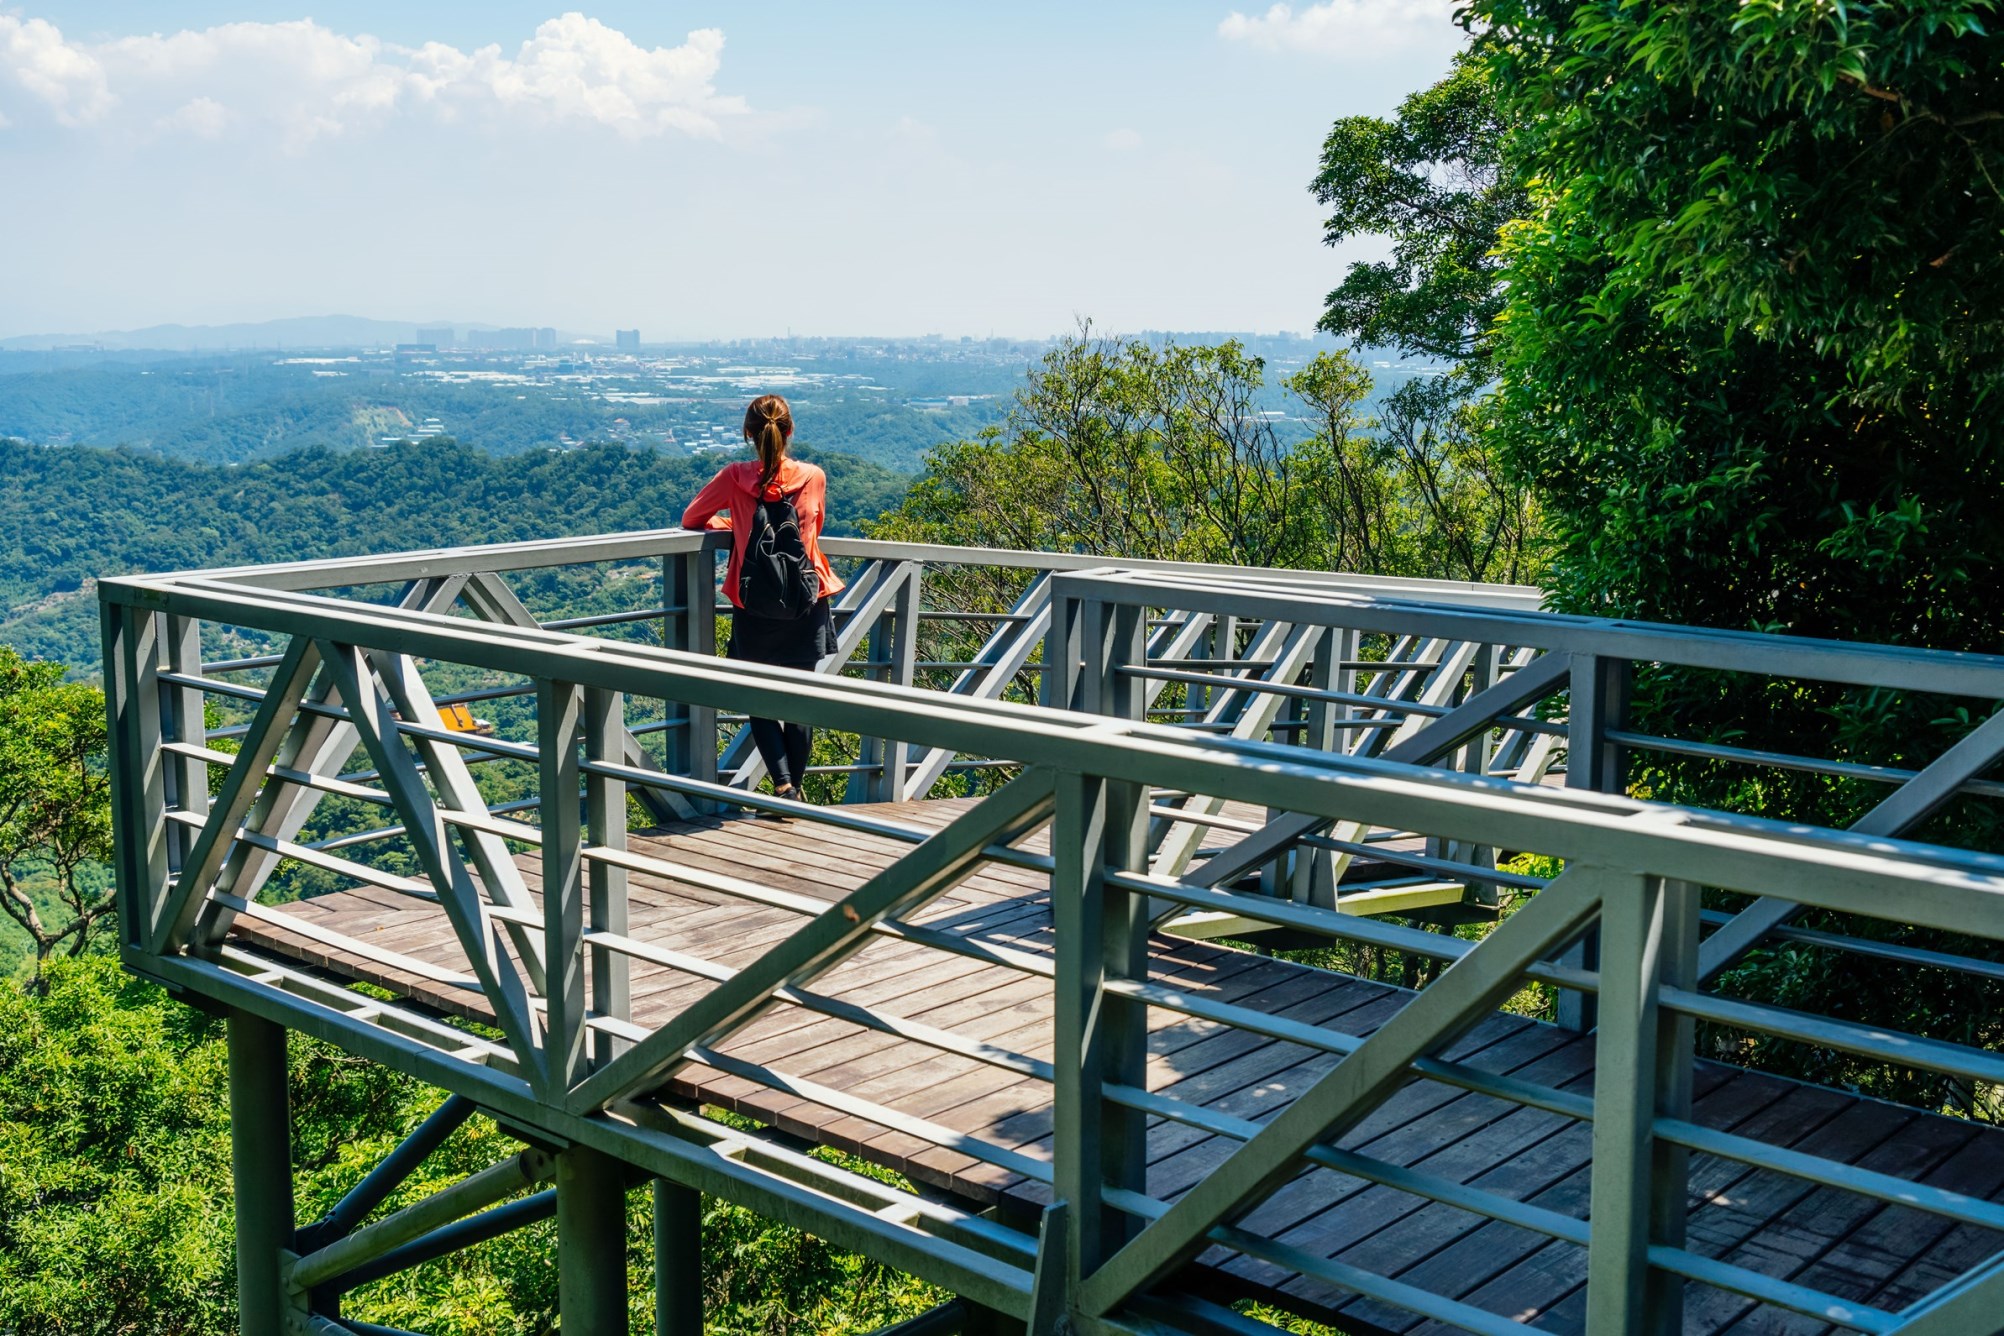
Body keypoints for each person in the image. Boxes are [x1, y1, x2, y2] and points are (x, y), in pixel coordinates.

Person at [681, 394, 844, 806]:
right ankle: (794, 791)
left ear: (749, 433)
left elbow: (691, 519)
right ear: (789, 431)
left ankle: (784, 783)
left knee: (757, 696)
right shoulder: (813, 476)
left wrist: (734, 523)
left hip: (753, 602)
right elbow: (815, 528)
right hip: (807, 600)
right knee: (801, 700)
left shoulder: (734, 476)